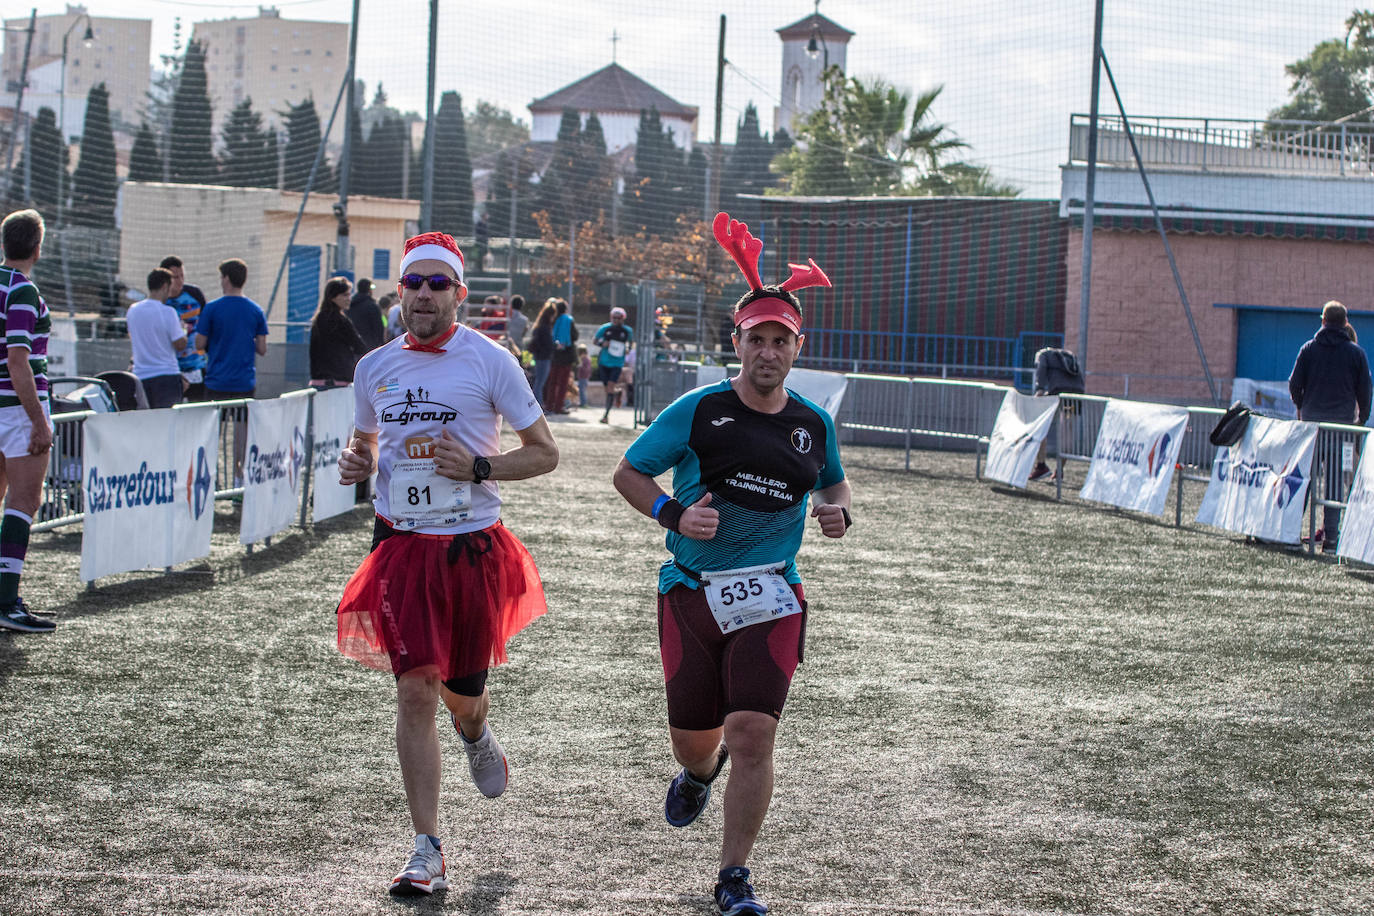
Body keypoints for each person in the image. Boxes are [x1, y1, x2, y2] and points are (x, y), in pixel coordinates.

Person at [611, 212, 850, 915]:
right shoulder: (698, 409)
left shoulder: (813, 423)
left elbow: (833, 482)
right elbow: (628, 473)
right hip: (691, 592)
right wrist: (675, 515)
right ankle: (698, 772)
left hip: (774, 596)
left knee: (753, 733)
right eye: (757, 339)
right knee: (696, 743)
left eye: (781, 341)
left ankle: (734, 875)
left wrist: (838, 511)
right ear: (737, 342)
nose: (768, 352)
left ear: (797, 349)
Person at [334, 231, 558, 896]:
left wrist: (481, 464)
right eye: (414, 283)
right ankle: (426, 849)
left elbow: (544, 452)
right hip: (401, 545)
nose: (424, 294)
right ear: (398, 291)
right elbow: (365, 440)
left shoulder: (490, 362)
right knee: (413, 689)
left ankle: (477, 732)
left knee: (463, 694)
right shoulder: (374, 367)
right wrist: (357, 461)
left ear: (459, 293)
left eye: (438, 284)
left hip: (469, 549)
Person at [0, 209, 56, 633]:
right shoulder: (21, 290)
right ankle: (5, 603)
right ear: (37, 247)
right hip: (16, 410)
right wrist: (38, 420)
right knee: (23, 503)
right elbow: (18, 362)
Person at [1289, 300, 1372, 552]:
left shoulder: (1308, 349)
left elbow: (1294, 384)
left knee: (1304, 479)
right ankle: (1331, 539)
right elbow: (1365, 392)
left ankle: (1290, 531)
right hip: (1342, 430)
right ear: (1345, 323)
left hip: (1312, 428)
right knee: (1335, 484)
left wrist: (1303, 407)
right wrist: (1360, 421)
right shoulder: (1356, 353)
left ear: (1323, 320)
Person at [195, 258, 268, 483]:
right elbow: (262, 348)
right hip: (244, 381)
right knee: (241, 434)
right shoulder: (255, 310)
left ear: (225, 278)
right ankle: (239, 477)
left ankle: (210, 477)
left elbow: (199, 343)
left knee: (211, 433)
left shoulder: (212, 308)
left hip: (216, 380)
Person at [125, 267, 188, 409]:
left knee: (147, 423)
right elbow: (180, 344)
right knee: (167, 424)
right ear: (165, 286)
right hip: (166, 376)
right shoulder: (168, 312)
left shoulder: (133, 310)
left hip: (141, 377)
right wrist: (184, 330)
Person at [1027, 347, 1084, 482]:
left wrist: (1040, 388)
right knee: (1067, 432)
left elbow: (1041, 370)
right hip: (1076, 393)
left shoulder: (1042, 354)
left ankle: (1041, 466)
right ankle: (1059, 470)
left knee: (1040, 424)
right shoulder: (1069, 355)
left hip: (1058, 391)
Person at [160, 255, 209, 401]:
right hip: (170, 369)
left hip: (196, 365)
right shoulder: (160, 301)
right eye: (175, 277)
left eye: (182, 276)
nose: (180, 281)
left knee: (198, 415)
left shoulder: (194, 294)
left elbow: (207, 324)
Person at [309, 276, 369, 387]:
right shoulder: (340, 320)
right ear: (333, 297)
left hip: (318, 381)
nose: (349, 298)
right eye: (345, 295)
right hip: (337, 382)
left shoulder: (318, 319)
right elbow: (360, 346)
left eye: (349, 294)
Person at [594, 306, 634, 424]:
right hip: (604, 362)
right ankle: (617, 393)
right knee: (608, 389)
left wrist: (628, 349)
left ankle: (606, 416)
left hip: (617, 363)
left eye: (619, 318)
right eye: (614, 317)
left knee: (610, 386)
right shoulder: (605, 328)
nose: (616, 320)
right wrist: (603, 343)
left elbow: (630, 344)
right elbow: (595, 340)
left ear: (623, 318)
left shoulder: (627, 331)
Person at [543, 298, 577, 414]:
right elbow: (575, 336)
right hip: (566, 356)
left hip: (554, 355)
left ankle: (549, 405)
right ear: (566, 309)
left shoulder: (552, 320)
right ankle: (559, 407)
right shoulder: (569, 320)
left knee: (552, 382)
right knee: (563, 383)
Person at [528, 299, 556, 411]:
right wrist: (555, 346)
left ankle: (537, 405)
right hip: (544, 358)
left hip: (538, 356)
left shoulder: (538, 327)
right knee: (540, 383)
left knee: (538, 382)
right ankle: (538, 406)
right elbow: (548, 345)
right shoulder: (545, 328)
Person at [348, 278, 385, 352]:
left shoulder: (350, 305)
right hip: (369, 348)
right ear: (369, 289)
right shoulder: (372, 306)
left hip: (352, 347)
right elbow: (378, 328)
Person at [575, 344, 591, 408]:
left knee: (582, 390)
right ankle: (582, 402)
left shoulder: (586, 359)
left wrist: (580, 366)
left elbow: (587, 369)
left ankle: (584, 403)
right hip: (582, 377)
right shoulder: (584, 359)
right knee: (581, 390)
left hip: (584, 377)